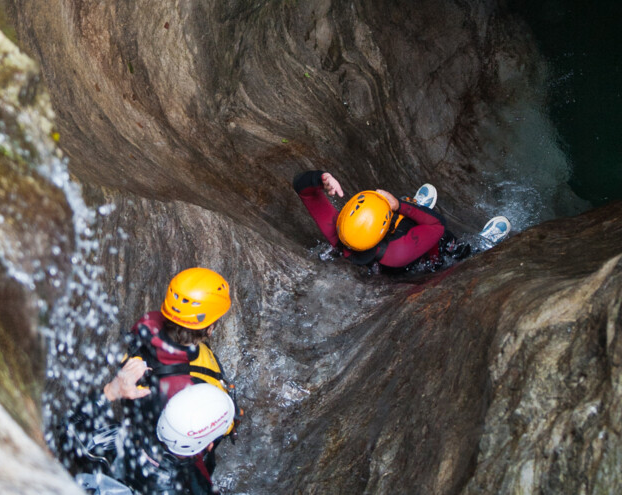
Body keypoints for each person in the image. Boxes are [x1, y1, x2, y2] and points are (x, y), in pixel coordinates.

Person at [121, 267, 241, 478]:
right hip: (177, 449)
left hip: (140, 424)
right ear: (209, 328)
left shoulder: (148, 323)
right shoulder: (197, 384)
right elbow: (224, 423)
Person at [64, 360, 236, 495]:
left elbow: (69, 432)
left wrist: (111, 390)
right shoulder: (194, 487)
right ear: (209, 445)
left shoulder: (120, 440)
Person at [292, 170, 511, 272]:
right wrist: (398, 205)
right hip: (422, 259)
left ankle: (412, 205)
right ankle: (477, 250)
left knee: (401, 211)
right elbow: (437, 225)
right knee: (445, 244)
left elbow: (303, 188)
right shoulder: (397, 253)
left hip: (383, 254)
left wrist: (323, 178)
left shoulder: (342, 235)